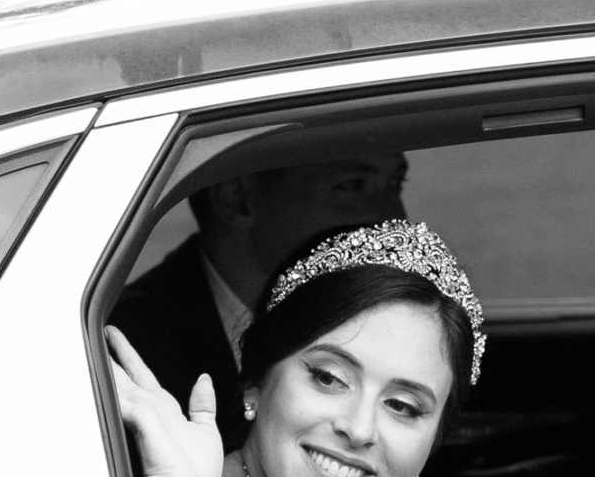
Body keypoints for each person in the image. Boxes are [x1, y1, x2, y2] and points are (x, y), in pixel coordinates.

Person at [107, 221, 483, 477]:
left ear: (434, 440)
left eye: (402, 406)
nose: (358, 429)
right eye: (329, 378)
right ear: (255, 378)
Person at [108, 150, 408, 426]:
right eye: (353, 186)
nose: (393, 220)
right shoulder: (126, 357)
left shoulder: (399, 326)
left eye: (395, 184)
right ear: (237, 199)